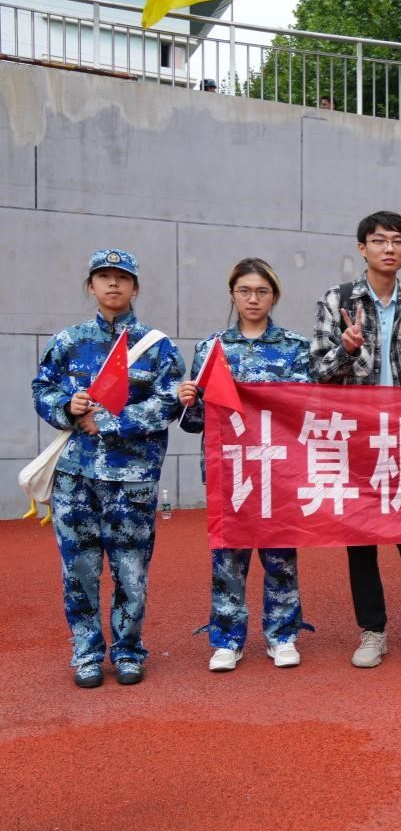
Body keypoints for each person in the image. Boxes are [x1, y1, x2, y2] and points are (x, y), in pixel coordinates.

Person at [311, 210, 401, 668]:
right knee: (361, 537)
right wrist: (346, 348)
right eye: (379, 240)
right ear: (363, 248)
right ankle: (372, 631)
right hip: (357, 438)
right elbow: (316, 372)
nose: (389, 248)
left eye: (397, 241)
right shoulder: (337, 300)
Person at [32, 249, 185, 687]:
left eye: (122, 277)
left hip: (132, 479)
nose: (113, 284)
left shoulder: (157, 346)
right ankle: (86, 654)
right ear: (91, 286)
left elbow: (170, 401)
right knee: (78, 572)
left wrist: (111, 422)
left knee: (131, 572)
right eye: (104, 277)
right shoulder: (69, 341)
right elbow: (42, 388)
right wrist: (67, 406)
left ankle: (128, 651)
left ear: (135, 287)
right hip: (75, 477)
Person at [179, 258, 314, 672]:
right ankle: (227, 639)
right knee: (227, 557)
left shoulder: (295, 347)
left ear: (274, 296)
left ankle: (282, 635)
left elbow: (306, 408)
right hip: (229, 470)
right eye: (244, 291)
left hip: (279, 468)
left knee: (281, 555)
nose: (253, 299)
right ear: (232, 295)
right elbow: (197, 422)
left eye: (261, 291)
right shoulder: (212, 349)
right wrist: (189, 399)